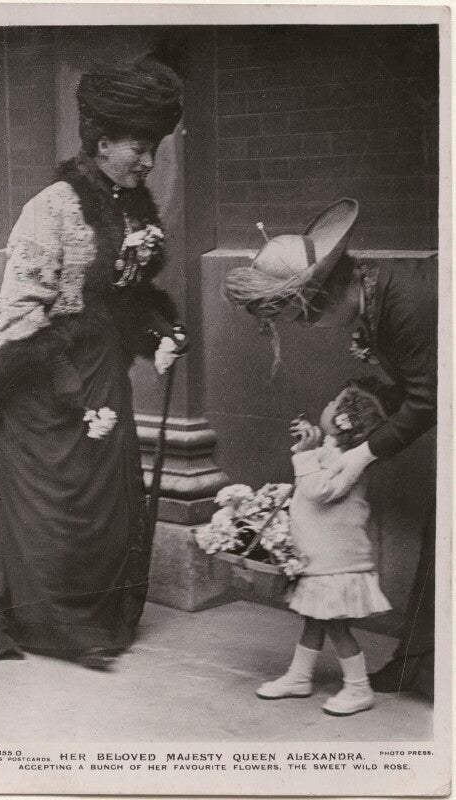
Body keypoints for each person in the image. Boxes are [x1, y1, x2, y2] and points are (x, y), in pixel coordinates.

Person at [0, 52, 187, 670]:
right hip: (45, 384)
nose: (148, 161)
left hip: (103, 370)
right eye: (139, 147)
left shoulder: (134, 207)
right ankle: (50, 626)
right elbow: (19, 316)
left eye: (154, 149)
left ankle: (91, 621)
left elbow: (131, 296)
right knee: (57, 511)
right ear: (103, 141)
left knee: (107, 502)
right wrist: (74, 395)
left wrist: (162, 330)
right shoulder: (51, 207)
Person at [223, 199, 437, 700]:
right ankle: (423, 668)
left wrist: (360, 454)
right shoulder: (377, 298)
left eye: (304, 318)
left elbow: (430, 398)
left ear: (323, 298)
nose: (309, 328)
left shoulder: (406, 300)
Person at [257, 379, 395, 716]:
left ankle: (359, 688)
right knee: (313, 620)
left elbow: (319, 490)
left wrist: (305, 456)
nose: (327, 403)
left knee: (334, 624)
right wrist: (310, 444)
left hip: (337, 560)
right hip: (320, 556)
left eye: (334, 401)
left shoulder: (352, 461)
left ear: (344, 419)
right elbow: (317, 467)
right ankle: (300, 677)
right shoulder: (335, 449)